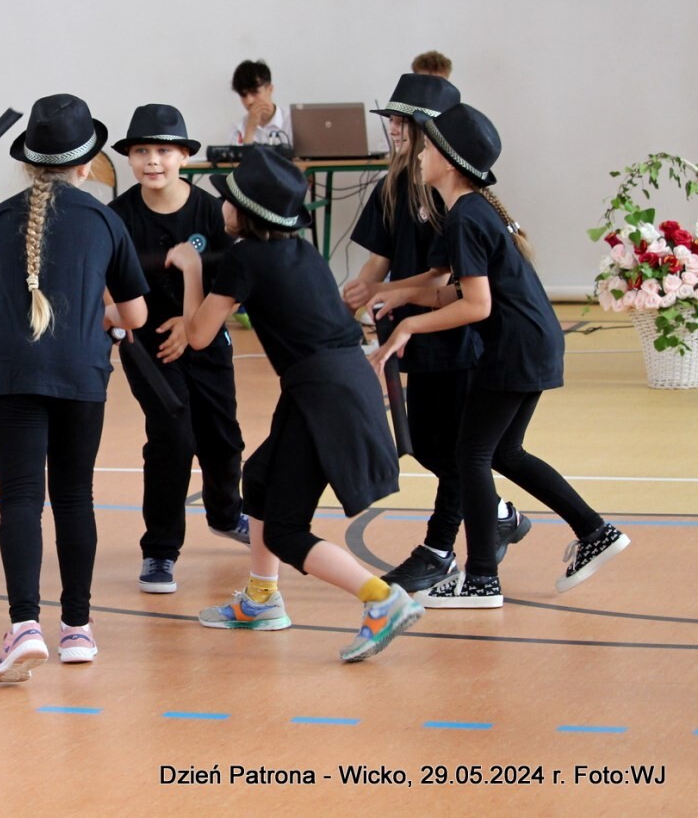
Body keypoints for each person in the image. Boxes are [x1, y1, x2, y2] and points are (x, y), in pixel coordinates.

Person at [166, 145, 422, 663]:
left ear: (243, 212)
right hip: (334, 379)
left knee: (285, 530)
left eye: (228, 199)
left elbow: (197, 336)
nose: (222, 206)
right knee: (259, 480)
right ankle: (261, 600)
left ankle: (382, 599)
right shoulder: (301, 251)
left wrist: (191, 269)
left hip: (322, 391)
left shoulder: (243, 259)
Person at [370, 104, 630, 607]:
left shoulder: (465, 217)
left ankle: (482, 579)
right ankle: (595, 532)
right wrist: (403, 295)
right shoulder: (472, 211)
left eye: (427, 147)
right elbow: (463, 292)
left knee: (471, 455)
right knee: (503, 452)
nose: (419, 154)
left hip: (513, 350)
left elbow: (477, 306)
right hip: (533, 343)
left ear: (449, 160)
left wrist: (409, 325)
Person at [0, 94, 149, 682]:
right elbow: (136, 316)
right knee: (74, 498)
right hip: (81, 374)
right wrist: (97, 318)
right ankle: (77, 630)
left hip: (14, 374)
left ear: (28, 163)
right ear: (87, 162)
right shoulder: (105, 220)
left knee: (20, 497)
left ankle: (24, 625)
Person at [342, 74, 531, 594]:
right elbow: (378, 260)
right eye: (392, 119)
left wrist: (393, 294)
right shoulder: (393, 186)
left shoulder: (451, 197)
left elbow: (448, 282)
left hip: (454, 335)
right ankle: (497, 513)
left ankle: (439, 549)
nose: (394, 128)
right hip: (414, 334)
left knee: (458, 449)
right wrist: (355, 295)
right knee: (427, 444)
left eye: (405, 121)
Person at [106, 103, 250, 594]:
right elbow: (105, 288)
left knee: (223, 439)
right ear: (129, 158)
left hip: (206, 336)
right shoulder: (118, 217)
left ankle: (226, 515)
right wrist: (133, 321)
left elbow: (235, 283)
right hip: (149, 347)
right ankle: (160, 550)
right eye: (142, 151)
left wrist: (193, 327)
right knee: (172, 438)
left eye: (164, 151)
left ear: (184, 156)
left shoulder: (211, 211)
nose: (153, 160)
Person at [230, 59, 291, 147]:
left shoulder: (292, 121)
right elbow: (240, 156)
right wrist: (250, 129)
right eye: (243, 95)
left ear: (270, 89)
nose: (249, 101)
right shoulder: (237, 129)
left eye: (254, 92)